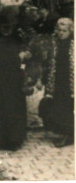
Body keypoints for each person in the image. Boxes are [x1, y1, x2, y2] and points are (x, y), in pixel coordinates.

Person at [0, 6, 29, 151]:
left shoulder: (17, 38)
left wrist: (25, 55)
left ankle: (14, 140)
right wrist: (18, 57)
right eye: (4, 26)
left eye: (9, 27)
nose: (7, 29)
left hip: (14, 79)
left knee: (13, 108)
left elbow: (26, 54)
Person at [39, 18, 74, 147]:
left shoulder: (73, 44)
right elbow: (48, 62)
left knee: (68, 107)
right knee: (58, 107)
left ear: (70, 31)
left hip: (70, 81)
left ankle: (69, 135)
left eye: (64, 31)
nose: (61, 33)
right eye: (59, 30)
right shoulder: (55, 44)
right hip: (58, 80)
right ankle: (63, 132)